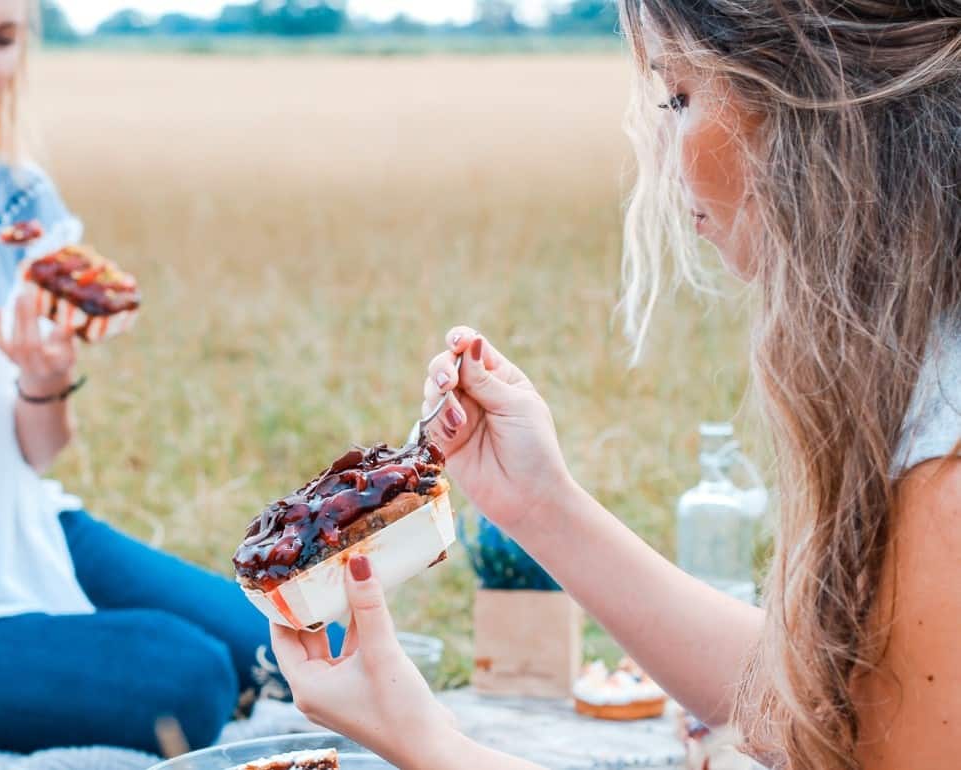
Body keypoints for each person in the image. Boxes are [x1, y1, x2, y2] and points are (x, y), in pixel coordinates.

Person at [271, 2, 961, 769]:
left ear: (819, 106)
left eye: (678, 97)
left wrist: (424, 741)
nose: (661, 157)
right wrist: (540, 506)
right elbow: (832, 706)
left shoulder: (947, 480)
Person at [0, 0, 305, 754]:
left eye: (5, 39)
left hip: (18, 527)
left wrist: (46, 382)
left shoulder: (18, 201)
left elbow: (36, 450)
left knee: (300, 647)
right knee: (190, 678)